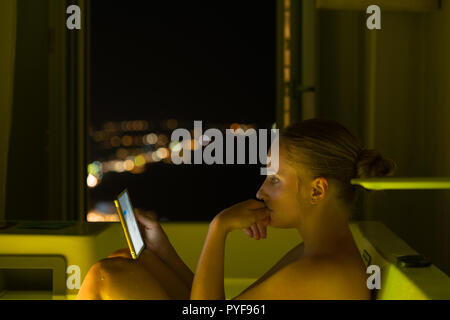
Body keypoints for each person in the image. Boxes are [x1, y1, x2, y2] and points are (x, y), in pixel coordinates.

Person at [77, 118, 397, 300]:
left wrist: (219, 229)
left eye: (274, 179)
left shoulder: (323, 271)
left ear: (317, 190)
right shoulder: (313, 253)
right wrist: (161, 251)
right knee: (127, 258)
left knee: (106, 275)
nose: (260, 192)